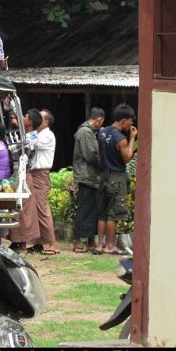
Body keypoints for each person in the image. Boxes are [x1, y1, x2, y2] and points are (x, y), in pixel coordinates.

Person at [93, 103, 137, 256]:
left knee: (102, 213)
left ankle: (99, 244)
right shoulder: (121, 138)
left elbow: (99, 155)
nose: (130, 125)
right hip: (117, 177)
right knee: (114, 214)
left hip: (103, 175)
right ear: (123, 120)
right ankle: (110, 245)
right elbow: (126, 158)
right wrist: (132, 138)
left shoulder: (103, 133)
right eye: (130, 122)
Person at [72, 107, 106, 254]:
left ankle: (90, 240)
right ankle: (77, 240)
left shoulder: (91, 132)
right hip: (86, 176)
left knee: (93, 210)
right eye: (101, 121)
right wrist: (103, 164)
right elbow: (91, 155)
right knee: (84, 208)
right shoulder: (85, 132)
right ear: (98, 119)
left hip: (92, 177)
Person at [8, 109, 41, 252]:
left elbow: (15, 149)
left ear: (30, 122)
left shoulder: (33, 137)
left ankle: (22, 242)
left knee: (23, 209)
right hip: (17, 174)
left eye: (25, 117)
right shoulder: (25, 134)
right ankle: (16, 240)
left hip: (23, 175)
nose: (22, 118)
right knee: (16, 207)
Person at [27, 109, 60, 255]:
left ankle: (53, 243)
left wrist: (27, 125)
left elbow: (32, 141)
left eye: (38, 118)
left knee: (42, 207)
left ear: (45, 122)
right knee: (34, 207)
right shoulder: (40, 134)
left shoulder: (48, 135)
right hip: (34, 173)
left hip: (41, 173)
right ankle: (38, 242)